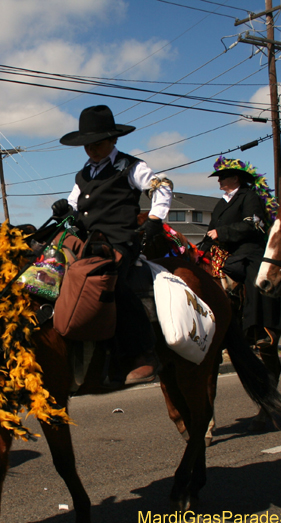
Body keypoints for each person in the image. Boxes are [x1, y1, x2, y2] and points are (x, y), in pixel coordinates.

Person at [52, 105, 172, 384]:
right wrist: (64, 210)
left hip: (120, 241)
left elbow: (162, 186)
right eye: (87, 145)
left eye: (98, 143)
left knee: (108, 280)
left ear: (113, 139)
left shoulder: (132, 166)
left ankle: (144, 354)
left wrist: (154, 220)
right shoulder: (84, 173)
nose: (92, 150)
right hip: (88, 242)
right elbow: (74, 204)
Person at [198, 157, 281, 345]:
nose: (219, 180)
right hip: (224, 250)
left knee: (253, 277)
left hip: (248, 249)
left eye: (223, 176)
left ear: (235, 178)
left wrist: (222, 232)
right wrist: (200, 252)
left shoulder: (249, 197)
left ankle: (260, 328)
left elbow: (253, 225)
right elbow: (211, 231)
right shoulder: (221, 203)